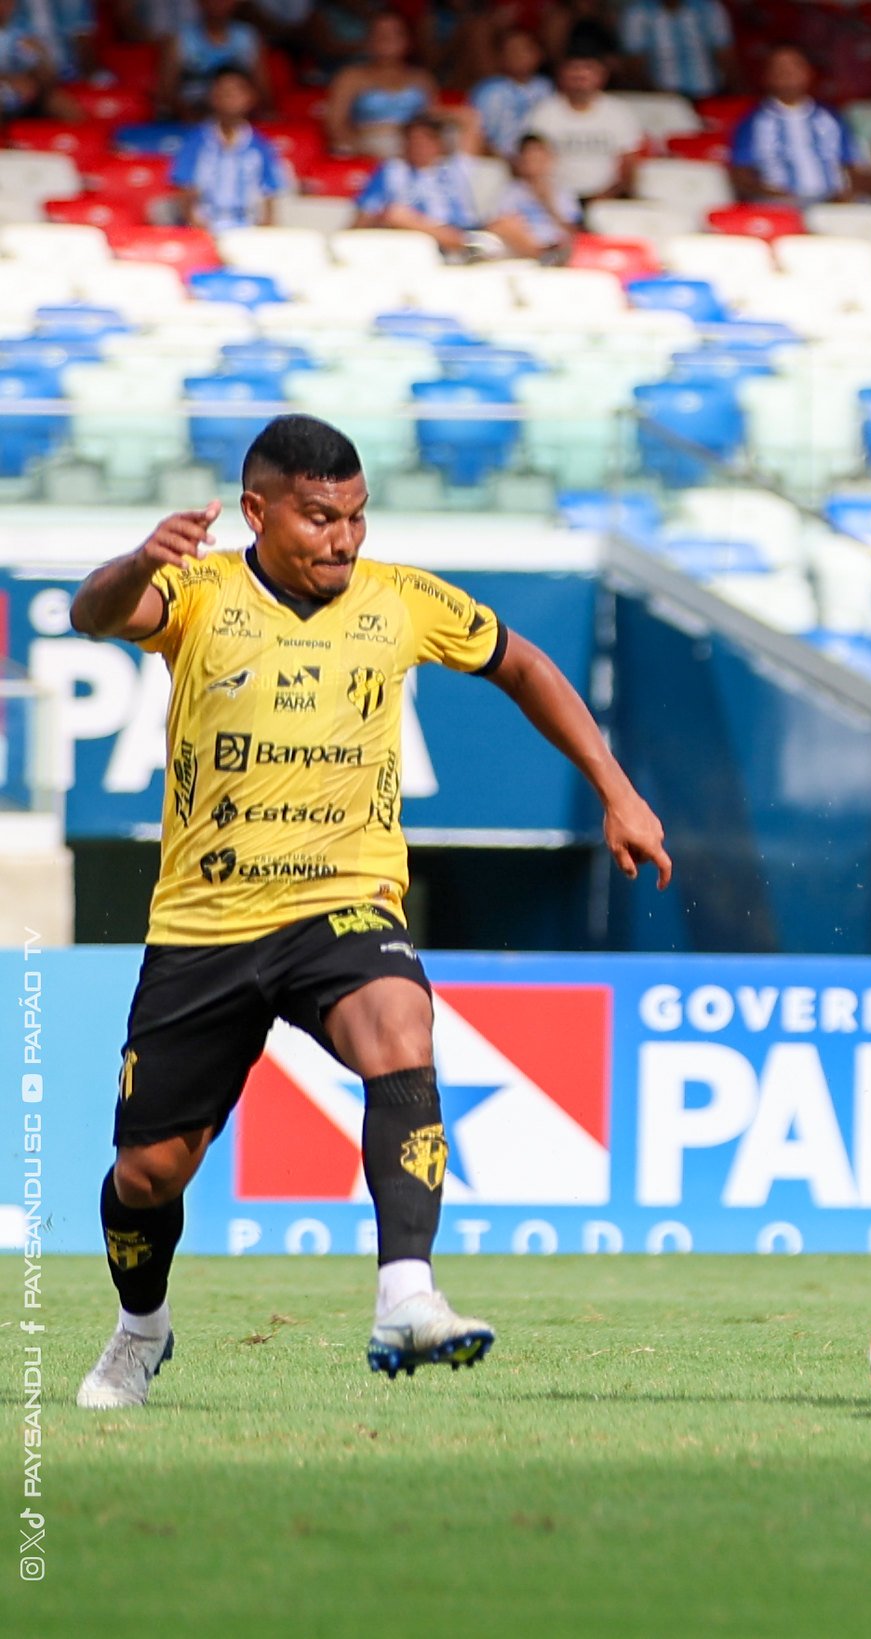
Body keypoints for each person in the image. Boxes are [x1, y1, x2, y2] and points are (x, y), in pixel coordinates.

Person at [68, 414, 672, 1410]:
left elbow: (522, 662)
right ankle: (141, 1327)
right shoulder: (197, 591)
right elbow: (97, 617)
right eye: (317, 519)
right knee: (146, 1175)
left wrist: (613, 786)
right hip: (206, 925)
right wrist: (138, 559)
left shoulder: (399, 599)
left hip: (342, 903)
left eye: (353, 516)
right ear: (257, 512)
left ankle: (406, 1293)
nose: (341, 540)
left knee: (400, 1024)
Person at [729, 44, 862, 205]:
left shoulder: (831, 118)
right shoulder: (752, 122)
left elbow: (853, 165)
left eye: (795, 65)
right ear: (767, 76)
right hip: (779, 204)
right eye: (779, 67)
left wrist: (847, 195)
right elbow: (741, 174)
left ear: (809, 72)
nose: (787, 72)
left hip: (833, 202)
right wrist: (771, 194)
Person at [171, 66, 286, 231]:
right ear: (213, 97)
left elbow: (269, 194)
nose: (230, 97)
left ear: (250, 98)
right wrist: (196, 225)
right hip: (205, 227)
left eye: (237, 92)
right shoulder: (195, 142)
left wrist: (264, 230)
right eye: (224, 92)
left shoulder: (261, 146)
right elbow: (185, 190)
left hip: (247, 228)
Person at [353, 112, 485, 253]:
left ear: (439, 143)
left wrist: (432, 111)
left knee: (504, 221)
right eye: (413, 141)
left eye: (426, 140)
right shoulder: (392, 170)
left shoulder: (456, 167)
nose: (419, 147)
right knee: (396, 214)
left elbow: (471, 120)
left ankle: (462, 245)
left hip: (465, 228)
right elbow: (367, 213)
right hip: (419, 237)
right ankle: (464, 248)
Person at [524, 50, 644, 202]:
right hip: (554, 200)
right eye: (573, 68)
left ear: (602, 75)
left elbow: (629, 165)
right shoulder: (543, 113)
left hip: (608, 199)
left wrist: (607, 196)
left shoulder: (619, 113)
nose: (580, 75)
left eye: (588, 68)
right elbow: (531, 164)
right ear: (561, 75)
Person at [325, 9, 438, 158]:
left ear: (408, 41)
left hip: (415, 151)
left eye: (395, 33)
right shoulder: (350, 77)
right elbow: (335, 124)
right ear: (368, 40)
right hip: (367, 149)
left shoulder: (422, 78)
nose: (387, 39)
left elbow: (433, 124)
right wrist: (361, 150)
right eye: (380, 34)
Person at [158, 0, 269, 121]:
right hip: (189, 116)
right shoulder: (180, 38)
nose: (218, 4)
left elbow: (261, 88)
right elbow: (166, 90)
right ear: (200, 3)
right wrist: (191, 118)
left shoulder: (247, 36)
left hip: (236, 112)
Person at [488, 131, 580, 260]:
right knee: (504, 225)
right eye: (530, 160)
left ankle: (546, 257)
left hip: (556, 244)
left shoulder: (562, 192)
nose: (535, 165)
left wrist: (547, 203)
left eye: (539, 159)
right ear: (521, 162)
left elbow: (574, 233)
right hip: (523, 244)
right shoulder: (511, 191)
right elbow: (497, 225)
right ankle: (543, 257)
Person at [468, 25, 551, 159]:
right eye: (511, 51)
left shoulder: (546, 87)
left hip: (540, 163)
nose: (518, 56)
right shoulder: (488, 91)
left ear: (538, 54)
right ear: (500, 57)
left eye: (524, 50)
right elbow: (478, 136)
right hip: (496, 161)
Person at [621, 0, 730, 100]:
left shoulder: (707, 8)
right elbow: (635, 65)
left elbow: (725, 56)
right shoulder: (638, 13)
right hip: (665, 98)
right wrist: (655, 96)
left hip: (708, 93)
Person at [0, 0, 81, 122]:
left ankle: (84, 139)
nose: (5, 6)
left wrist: (35, 78)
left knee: (59, 102)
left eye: (9, 2)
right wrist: (9, 80)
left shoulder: (22, 31)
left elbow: (48, 76)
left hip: (24, 93)